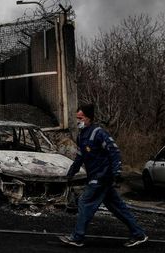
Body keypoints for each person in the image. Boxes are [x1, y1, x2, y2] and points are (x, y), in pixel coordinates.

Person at [59, 104, 148, 248]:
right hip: (97, 177)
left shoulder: (99, 133)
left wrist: (116, 172)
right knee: (117, 207)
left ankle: (77, 237)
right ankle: (139, 234)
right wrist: (71, 173)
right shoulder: (81, 136)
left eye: (80, 118)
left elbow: (114, 151)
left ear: (89, 118)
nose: (77, 121)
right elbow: (80, 157)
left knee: (85, 202)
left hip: (101, 177)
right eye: (77, 118)